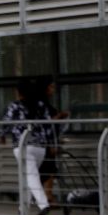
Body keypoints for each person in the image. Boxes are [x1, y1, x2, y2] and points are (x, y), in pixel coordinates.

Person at [0, 78, 52, 215]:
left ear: (18, 92)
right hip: (40, 147)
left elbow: (6, 123)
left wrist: (2, 135)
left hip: (22, 145)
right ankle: (23, 208)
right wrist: (50, 142)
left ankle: (43, 204)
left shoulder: (14, 106)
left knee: (31, 175)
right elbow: (48, 125)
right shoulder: (40, 105)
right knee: (28, 175)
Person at [35, 75, 69, 205]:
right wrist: (59, 116)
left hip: (47, 142)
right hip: (44, 143)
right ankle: (46, 197)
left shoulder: (44, 103)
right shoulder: (40, 104)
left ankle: (47, 196)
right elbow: (44, 123)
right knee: (46, 170)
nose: (53, 90)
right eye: (51, 87)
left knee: (49, 169)